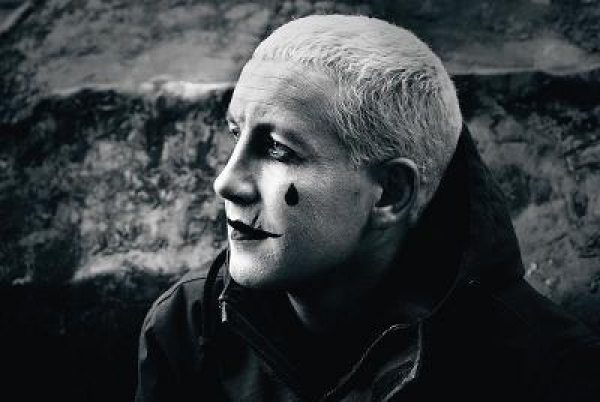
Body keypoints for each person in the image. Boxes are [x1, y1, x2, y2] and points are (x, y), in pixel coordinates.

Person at [136, 15, 599, 402]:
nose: (226, 182)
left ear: (390, 193)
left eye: (278, 150)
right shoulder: (188, 325)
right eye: (236, 135)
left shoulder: (549, 373)